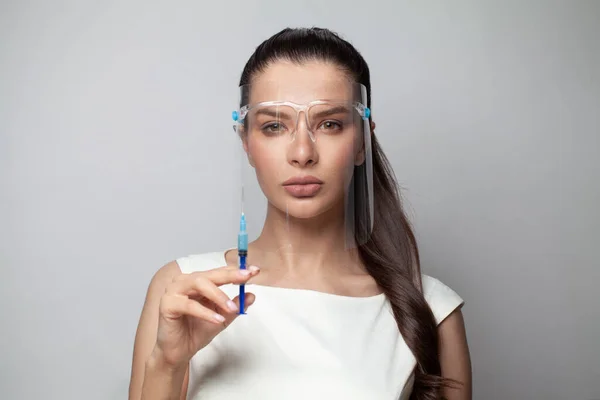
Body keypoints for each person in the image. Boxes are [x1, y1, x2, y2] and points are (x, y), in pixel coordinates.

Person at [129, 27, 472, 400]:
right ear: (246, 141)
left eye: (330, 124)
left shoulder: (431, 309)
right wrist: (167, 364)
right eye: (274, 126)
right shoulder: (186, 290)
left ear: (361, 142)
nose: (303, 152)